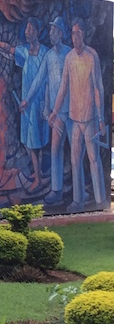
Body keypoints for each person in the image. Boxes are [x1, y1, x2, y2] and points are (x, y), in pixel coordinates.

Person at [49, 18, 107, 212]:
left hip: (90, 118)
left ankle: (100, 200)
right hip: (74, 118)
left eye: (78, 33)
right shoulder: (69, 58)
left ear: (83, 34)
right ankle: (78, 199)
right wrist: (55, 112)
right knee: (74, 159)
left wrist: (101, 119)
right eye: (73, 34)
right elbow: (63, 87)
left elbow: (98, 89)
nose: (75, 37)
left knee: (93, 157)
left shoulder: (92, 57)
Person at [0, 17, 49, 192]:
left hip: (38, 103)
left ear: (36, 32)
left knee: (36, 143)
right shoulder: (25, 51)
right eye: (26, 28)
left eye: (29, 29)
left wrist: (29, 101)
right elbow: (9, 51)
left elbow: (40, 80)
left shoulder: (45, 53)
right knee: (31, 142)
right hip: (27, 105)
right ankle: (39, 174)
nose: (26, 31)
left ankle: (38, 179)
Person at [19, 16, 71, 205]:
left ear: (60, 33)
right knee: (56, 150)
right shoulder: (48, 57)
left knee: (75, 151)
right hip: (57, 113)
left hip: (72, 112)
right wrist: (27, 100)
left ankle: (79, 194)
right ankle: (56, 190)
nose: (50, 34)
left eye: (53, 31)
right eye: (50, 31)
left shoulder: (69, 54)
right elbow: (39, 81)